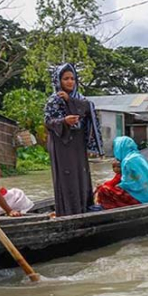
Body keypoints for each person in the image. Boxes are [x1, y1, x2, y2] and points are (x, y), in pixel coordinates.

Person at [44, 63, 104, 216]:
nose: (70, 82)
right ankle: (69, 211)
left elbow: (88, 108)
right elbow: (48, 122)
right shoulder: (53, 100)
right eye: (66, 79)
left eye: (72, 79)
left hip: (78, 142)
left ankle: (84, 207)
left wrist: (70, 100)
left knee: (81, 175)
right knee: (67, 177)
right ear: (58, 81)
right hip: (62, 143)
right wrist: (64, 121)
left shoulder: (80, 98)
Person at [98, 136, 148, 207]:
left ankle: (112, 208)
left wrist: (118, 186)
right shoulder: (138, 156)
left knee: (103, 190)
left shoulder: (128, 161)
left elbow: (130, 184)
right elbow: (136, 179)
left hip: (142, 198)